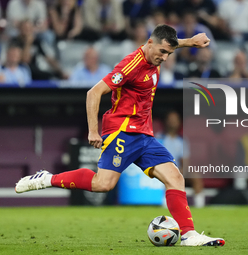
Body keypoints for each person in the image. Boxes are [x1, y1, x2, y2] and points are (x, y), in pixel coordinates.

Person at [15, 24, 225, 247]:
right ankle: (47, 179)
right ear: (150, 43)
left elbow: (166, 43)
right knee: (102, 184)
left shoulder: (157, 50)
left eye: (169, 53)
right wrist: (93, 130)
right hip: (122, 132)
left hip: (144, 135)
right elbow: (93, 92)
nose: (165, 58)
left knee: (175, 178)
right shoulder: (130, 65)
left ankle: (188, 235)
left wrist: (189, 41)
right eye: (162, 52)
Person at [157, 110, 205, 208]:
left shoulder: (182, 141)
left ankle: (200, 206)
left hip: (178, 171)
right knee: (167, 178)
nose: (172, 122)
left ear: (179, 122)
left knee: (196, 177)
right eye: (170, 120)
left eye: (175, 120)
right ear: (166, 121)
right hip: (162, 171)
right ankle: (166, 205)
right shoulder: (158, 138)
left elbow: (185, 161)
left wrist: (181, 171)